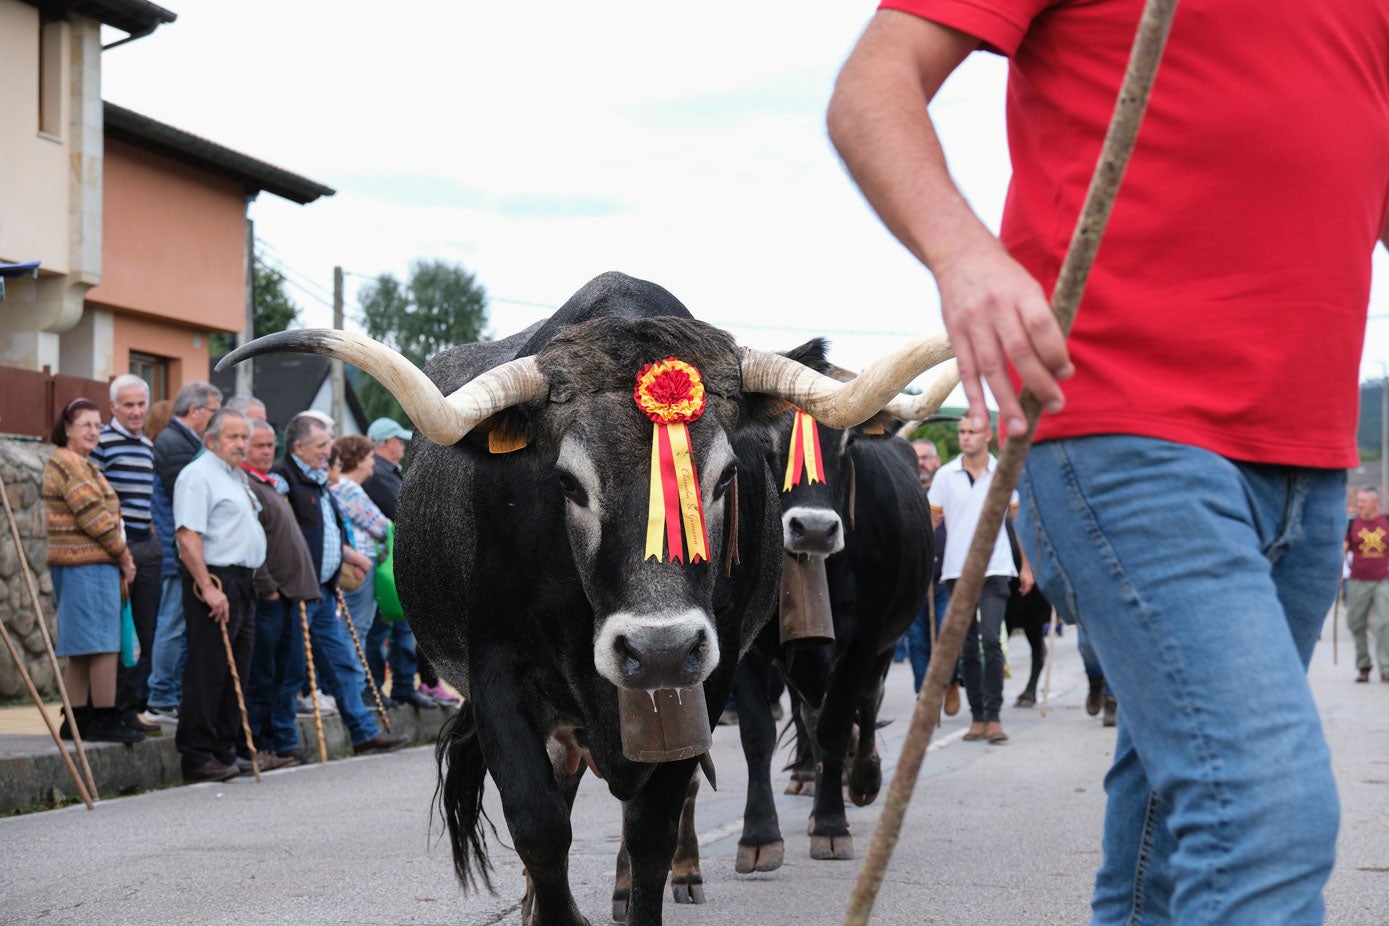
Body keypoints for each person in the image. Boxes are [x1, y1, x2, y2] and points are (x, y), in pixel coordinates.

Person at [827, 4, 1379, 922]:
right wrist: (964, 255)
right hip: (1123, 426)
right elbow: (870, 87)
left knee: (1178, 804)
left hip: (1306, 462)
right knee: (1263, 815)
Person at [275, 413, 408, 755]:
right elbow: (285, 536)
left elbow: (330, 532)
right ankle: (283, 741)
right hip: (299, 590)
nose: (328, 453)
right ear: (299, 446)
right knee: (291, 669)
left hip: (323, 589)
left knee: (343, 662)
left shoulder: (318, 480)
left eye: (329, 445)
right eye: (321, 446)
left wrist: (342, 561)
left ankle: (364, 733)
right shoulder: (284, 479)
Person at [172, 408, 265, 782]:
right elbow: (186, 535)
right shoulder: (197, 475)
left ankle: (225, 748)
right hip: (214, 580)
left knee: (236, 669)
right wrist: (209, 588)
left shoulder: (235, 475)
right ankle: (197, 754)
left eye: (245, 437)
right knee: (208, 669)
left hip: (244, 581)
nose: (241, 444)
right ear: (211, 439)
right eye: (233, 437)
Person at [42, 398, 142, 744]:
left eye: (98, 425)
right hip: (85, 562)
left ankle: (76, 719)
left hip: (87, 563)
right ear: (67, 428)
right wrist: (125, 556)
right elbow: (94, 517)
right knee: (101, 643)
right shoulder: (67, 463)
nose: (93, 431)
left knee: (84, 645)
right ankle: (103, 717)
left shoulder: (84, 464)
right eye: (85, 424)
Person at [927, 420, 1031, 742]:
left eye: (971, 432)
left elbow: (1020, 524)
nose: (965, 438)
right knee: (966, 645)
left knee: (991, 638)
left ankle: (994, 716)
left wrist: (1026, 567)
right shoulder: (944, 475)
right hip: (957, 571)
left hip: (996, 567)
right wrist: (926, 559)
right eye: (961, 432)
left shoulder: (1004, 472)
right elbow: (931, 521)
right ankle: (977, 717)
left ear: (987, 435)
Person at [333, 435, 435, 709]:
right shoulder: (349, 489)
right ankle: (360, 691)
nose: (371, 463)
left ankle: (365, 690)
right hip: (360, 566)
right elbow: (380, 524)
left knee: (362, 630)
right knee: (359, 630)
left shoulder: (345, 487)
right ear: (357, 460)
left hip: (361, 565)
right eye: (367, 458)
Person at [362, 417, 458, 705]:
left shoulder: (386, 471)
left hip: (393, 563)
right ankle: (379, 690)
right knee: (383, 631)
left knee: (401, 630)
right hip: (385, 565)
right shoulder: (378, 474)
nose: (402, 447)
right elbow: (402, 512)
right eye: (399, 441)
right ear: (387, 443)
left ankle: (403, 687)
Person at [144, 382, 223, 726]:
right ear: (195, 411)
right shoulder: (176, 444)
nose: (217, 420)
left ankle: (169, 694)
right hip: (176, 551)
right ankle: (161, 697)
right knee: (172, 624)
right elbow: (188, 503)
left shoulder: (182, 441)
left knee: (177, 624)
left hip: (179, 550)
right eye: (214, 413)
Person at [89, 375, 163, 736]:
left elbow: (144, 500)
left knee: (144, 630)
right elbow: (98, 499)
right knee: (117, 630)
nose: (135, 411)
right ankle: (110, 709)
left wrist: (151, 537)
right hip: (115, 546)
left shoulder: (147, 446)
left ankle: (132, 706)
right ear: (114, 408)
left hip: (145, 543)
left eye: (140, 404)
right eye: (128, 405)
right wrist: (118, 550)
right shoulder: (102, 442)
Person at [241, 418, 315, 770]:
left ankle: (283, 742)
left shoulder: (270, 483)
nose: (267, 452)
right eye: (259, 446)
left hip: (290, 594)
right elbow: (250, 541)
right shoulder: (246, 484)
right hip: (271, 597)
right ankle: (260, 743)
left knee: (289, 674)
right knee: (263, 675)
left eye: (271, 445)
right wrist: (268, 588)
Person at [1344, 487, 1389, 683]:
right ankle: (1363, 665)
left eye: (1363, 501)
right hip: (1358, 580)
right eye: (1359, 500)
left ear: (1376, 503)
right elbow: (1344, 548)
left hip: (1383, 580)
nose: (1359, 504)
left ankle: (1386, 667)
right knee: (1356, 623)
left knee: (1385, 623)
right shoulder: (1353, 523)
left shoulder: (1386, 522)